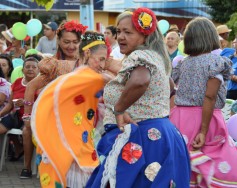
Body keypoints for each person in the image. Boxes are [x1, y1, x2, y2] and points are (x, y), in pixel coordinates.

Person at [86, 7, 190, 188]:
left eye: (128, 32)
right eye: (118, 31)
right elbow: (170, 86)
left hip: (142, 136)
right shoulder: (155, 56)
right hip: (160, 132)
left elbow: (141, 81)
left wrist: (119, 109)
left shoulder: (140, 55)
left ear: (145, 36)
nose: (120, 37)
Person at [170, 17, 237, 187]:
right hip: (206, 118)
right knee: (214, 157)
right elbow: (210, 97)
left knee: (183, 160)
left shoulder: (183, 63)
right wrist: (204, 130)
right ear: (211, 37)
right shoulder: (216, 63)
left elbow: (171, 88)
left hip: (180, 118)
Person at [31, 31, 112, 187]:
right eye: (101, 59)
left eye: (105, 60)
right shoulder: (78, 75)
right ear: (87, 53)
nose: (103, 65)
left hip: (84, 135)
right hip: (64, 138)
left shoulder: (93, 75)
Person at [20, 20, 88, 179]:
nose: (71, 46)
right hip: (57, 121)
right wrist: (27, 116)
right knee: (58, 165)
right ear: (58, 41)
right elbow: (30, 87)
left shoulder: (88, 62)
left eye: (75, 42)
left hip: (83, 120)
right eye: (66, 42)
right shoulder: (53, 64)